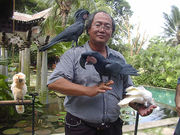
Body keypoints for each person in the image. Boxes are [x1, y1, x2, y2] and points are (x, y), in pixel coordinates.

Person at [47, 10, 156, 135]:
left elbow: (126, 91)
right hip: (80, 128)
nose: (102, 29)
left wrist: (138, 105)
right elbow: (54, 82)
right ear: (88, 29)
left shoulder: (118, 58)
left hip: (112, 128)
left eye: (107, 26)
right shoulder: (73, 54)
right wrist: (88, 90)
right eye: (98, 25)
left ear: (111, 33)